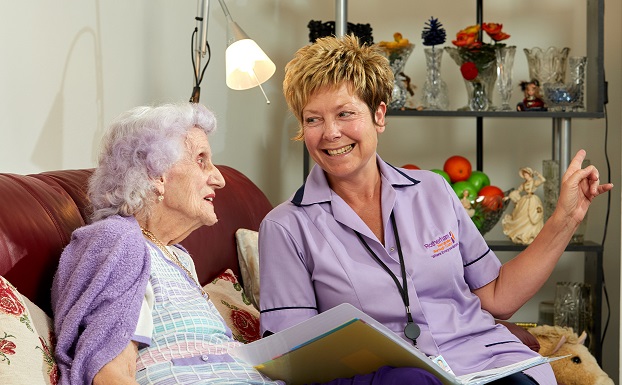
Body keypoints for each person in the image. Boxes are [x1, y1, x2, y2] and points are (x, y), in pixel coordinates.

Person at [258, 35, 613, 385]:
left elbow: (497, 298)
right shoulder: (286, 227)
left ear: (379, 115)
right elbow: (295, 355)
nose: (331, 133)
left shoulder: (434, 190)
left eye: (345, 113)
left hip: (486, 360)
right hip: (395, 378)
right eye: (313, 119)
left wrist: (565, 219)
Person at [51, 103, 287, 385]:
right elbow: (108, 374)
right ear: (156, 174)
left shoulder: (177, 255)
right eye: (201, 159)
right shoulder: (117, 240)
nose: (220, 179)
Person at [502, 167, 547, 245]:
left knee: (534, 216)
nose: (525, 176)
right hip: (525, 200)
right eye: (524, 175)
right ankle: (522, 234)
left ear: (529, 174)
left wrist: (538, 175)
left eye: (526, 174)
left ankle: (532, 235)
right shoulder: (523, 184)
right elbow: (517, 191)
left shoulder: (534, 182)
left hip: (533, 200)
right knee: (521, 216)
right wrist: (508, 197)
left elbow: (543, 180)